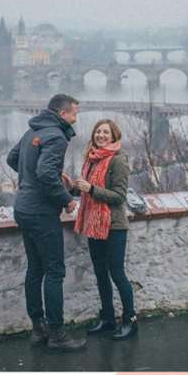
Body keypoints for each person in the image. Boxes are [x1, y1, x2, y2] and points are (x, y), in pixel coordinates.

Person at [6, 93, 86, 352]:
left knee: (35, 269)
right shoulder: (56, 136)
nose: (75, 118)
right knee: (54, 272)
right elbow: (44, 172)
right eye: (74, 113)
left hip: (23, 208)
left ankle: (38, 330)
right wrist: (67, 199)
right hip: (41, 212)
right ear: (62, 114)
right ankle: (57, 335)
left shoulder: (34, 131)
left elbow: (12, 158)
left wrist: (31, 178)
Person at [68, 118, 137, 340]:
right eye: (98, 132)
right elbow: (86, 192)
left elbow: (119, 196)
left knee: (117, 273)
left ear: (114, 136)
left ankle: (130, 320)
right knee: (100, 273)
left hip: (114, 225)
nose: (101, 136)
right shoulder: (91, 159)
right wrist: (73, 187)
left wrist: (91, 188)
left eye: (106, 133)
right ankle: (107, 318)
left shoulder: (118, 160)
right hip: (93, 224)